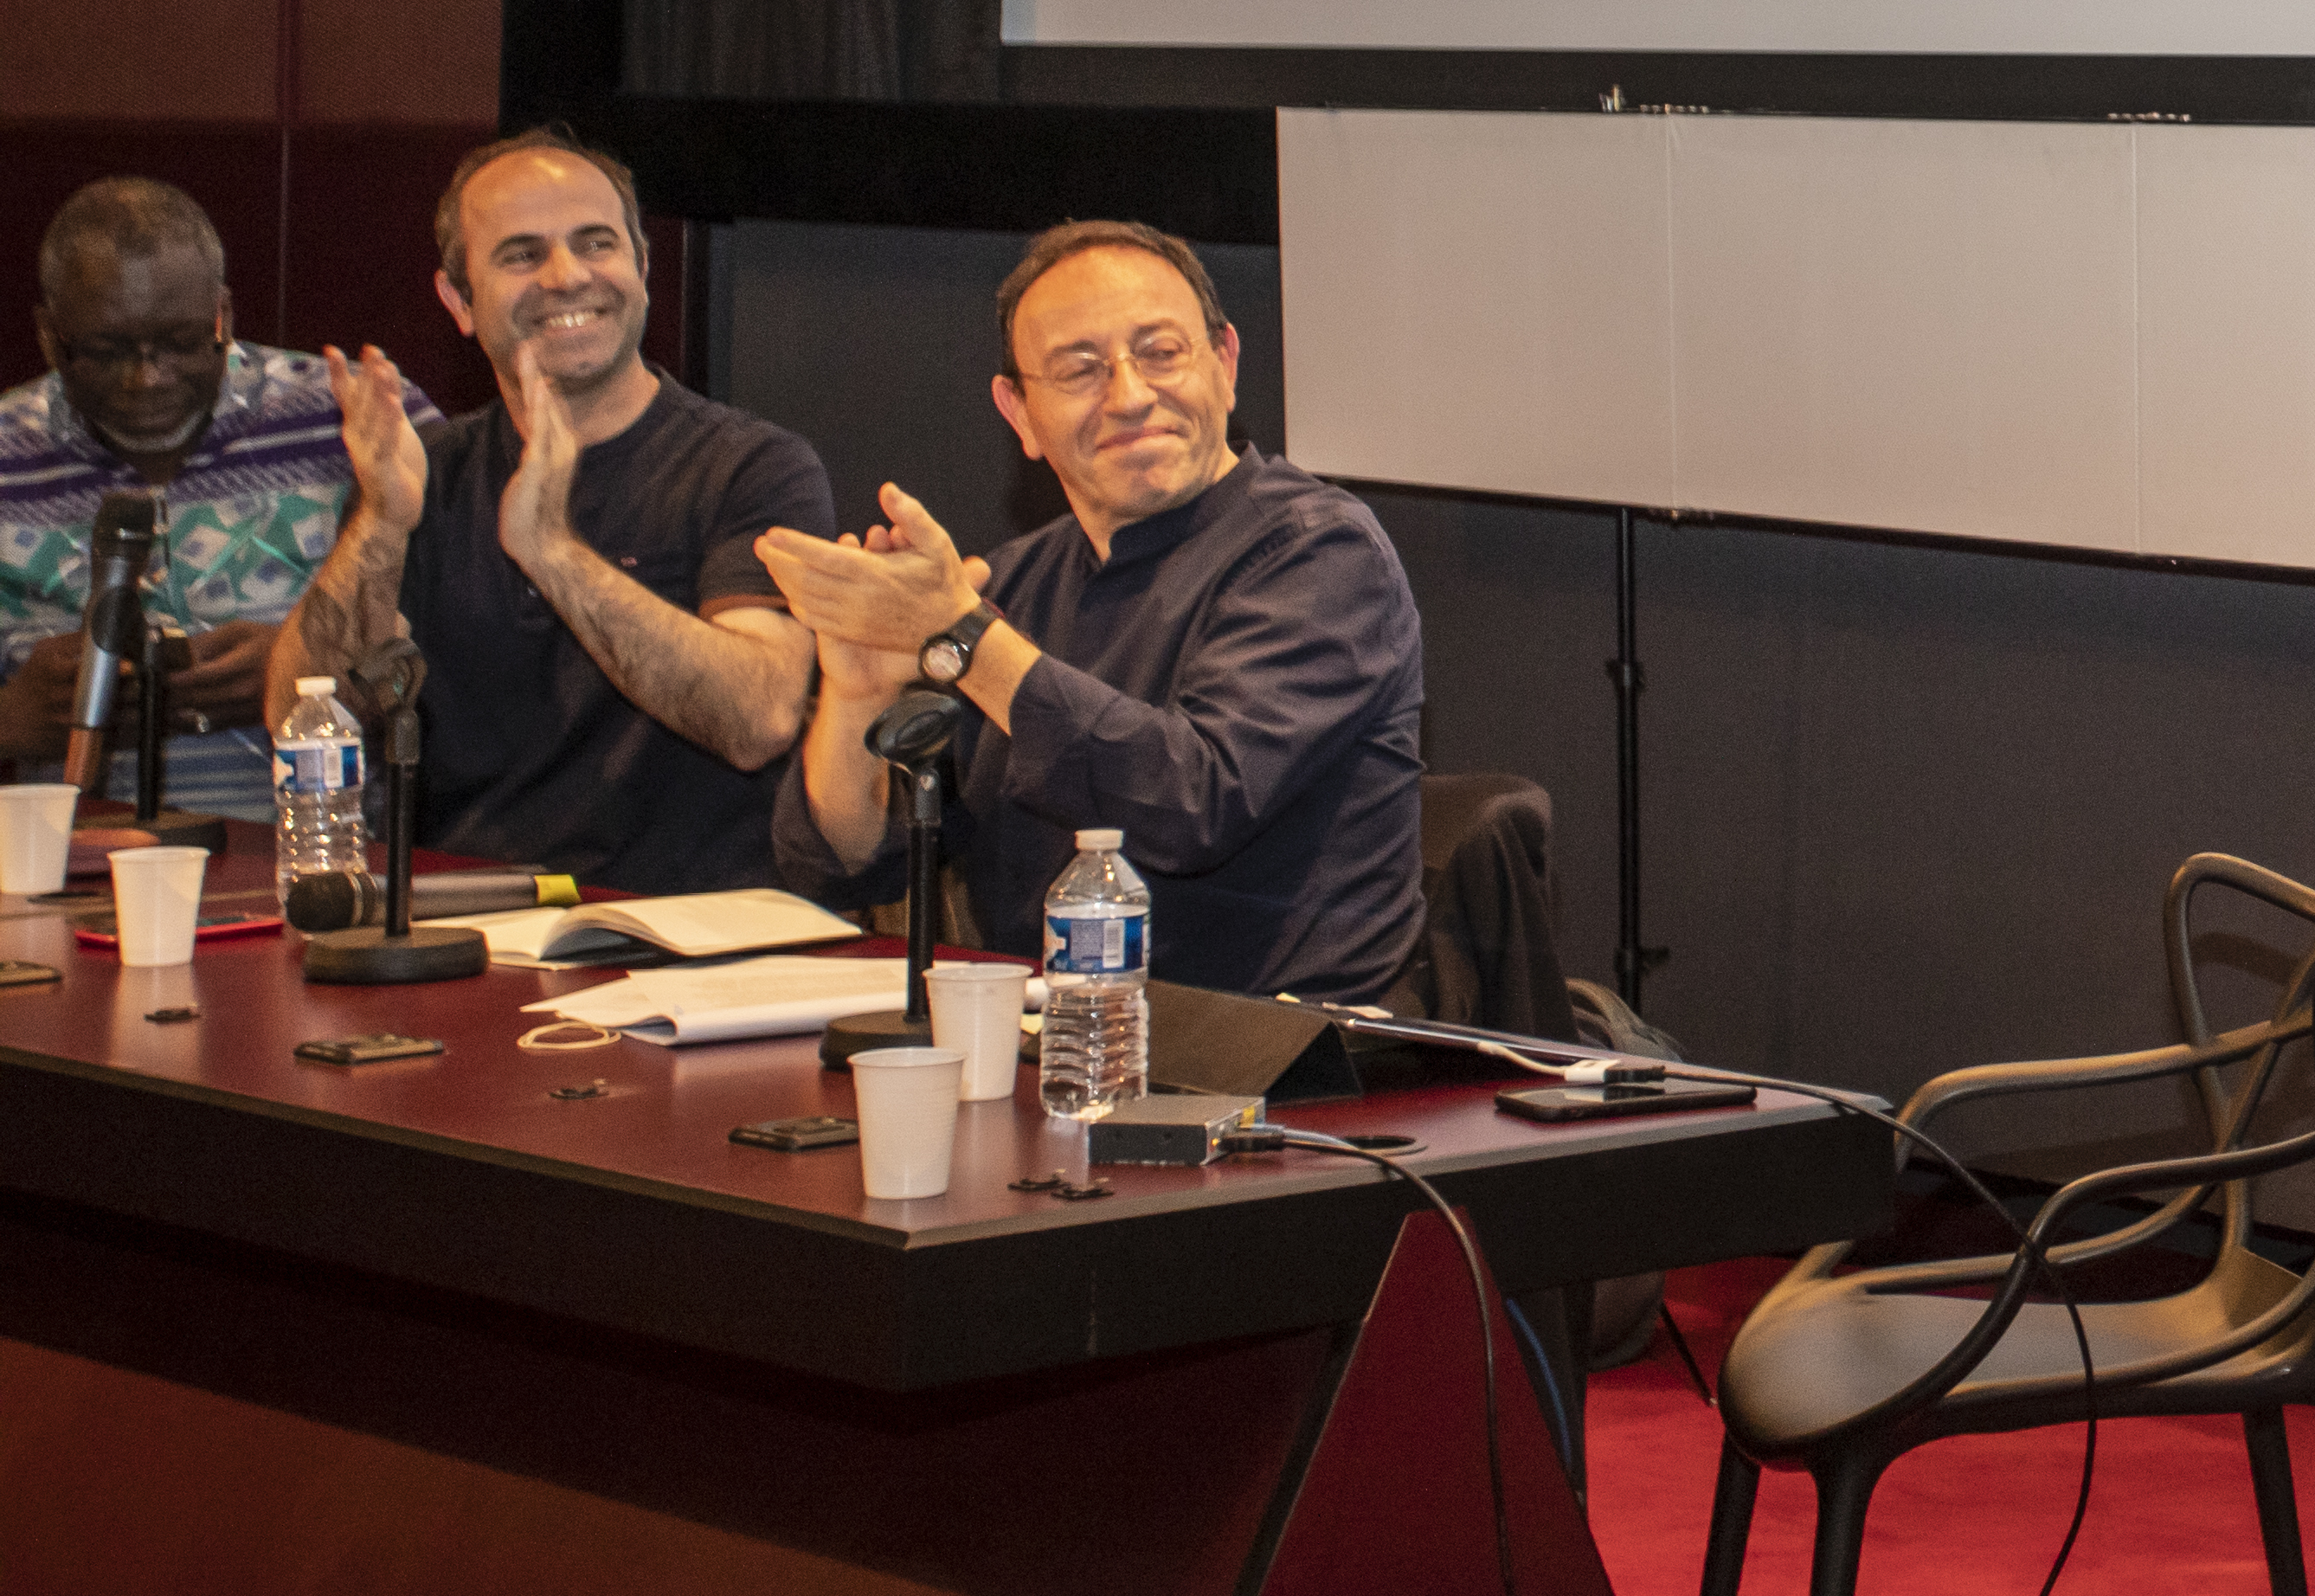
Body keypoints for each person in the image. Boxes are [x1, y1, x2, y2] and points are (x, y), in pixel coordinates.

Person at [758, 218, 1425, 1004]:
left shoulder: (1319, 554)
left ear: (1225, 364)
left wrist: (964, 635)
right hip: (1052, 1049)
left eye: (1161, 353)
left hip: (1279, 1071)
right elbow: (843, 862)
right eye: (1079, 370)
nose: (1131, 396)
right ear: (1020, 415)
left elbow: (1191, 803)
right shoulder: (1018, 577)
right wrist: (857, 692)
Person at [269, 132, 833, 893]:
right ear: (459, 302)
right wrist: (380, 523)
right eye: (522, 255)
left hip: (696, 929)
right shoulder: (428, 468)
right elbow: (300, 716)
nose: (567, 277)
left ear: (643, 267)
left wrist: (552, 551)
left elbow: (758, 719)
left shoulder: (752, 467)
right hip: (472, 915)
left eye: (596, 244)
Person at [0, 179, 401, 814]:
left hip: (323, 867)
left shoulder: (349, 421)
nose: (147, 376)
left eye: (183, 342)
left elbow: (479, 669)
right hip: (67, 878)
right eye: (106, 351)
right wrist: (13, 719)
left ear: (226, 315)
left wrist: (309, 666)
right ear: (50, 336)